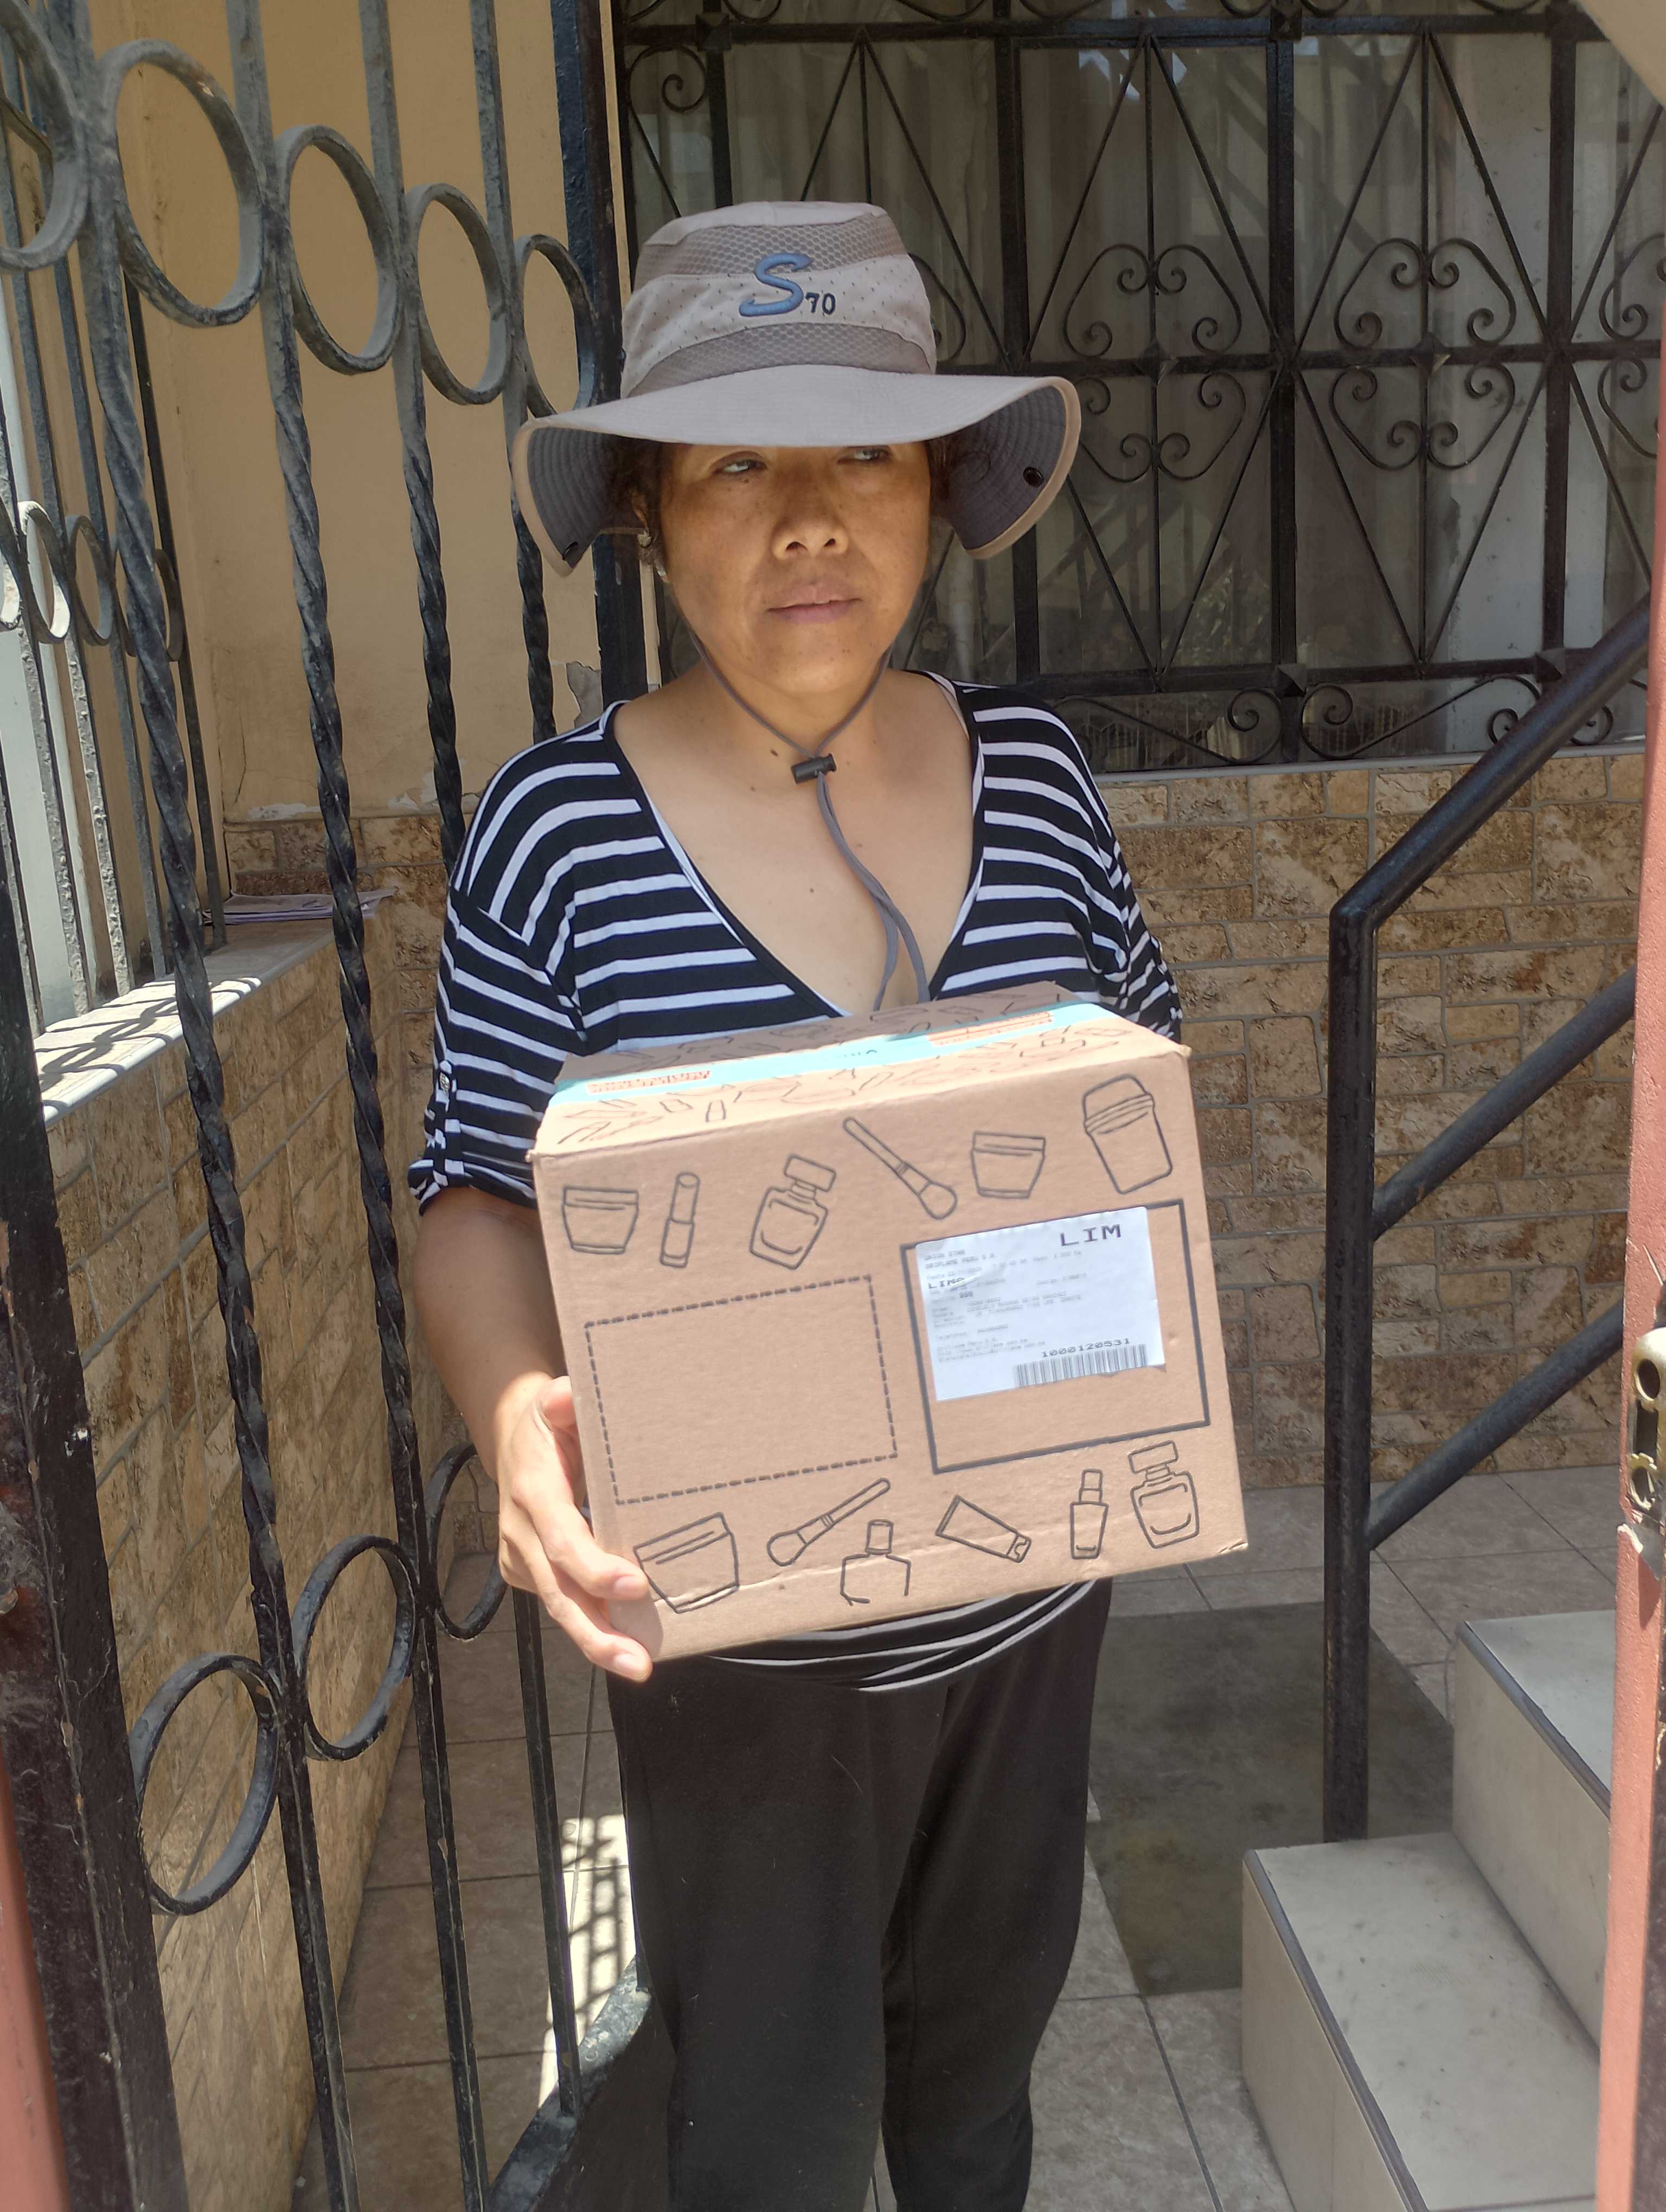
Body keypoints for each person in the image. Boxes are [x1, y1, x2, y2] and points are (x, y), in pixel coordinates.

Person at [411, 201, 1180, 2212]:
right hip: (740, 1655)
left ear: (936, 493)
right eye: (739, 461)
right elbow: (476, 1193)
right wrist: (513, 1418)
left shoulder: (1041, 781)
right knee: (763, 2119)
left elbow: (1138, 1119)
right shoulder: (559, 832)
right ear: (652, 516)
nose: (812, 517)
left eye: (866, 454)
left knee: (979, 2085)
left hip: (1028, 1616)